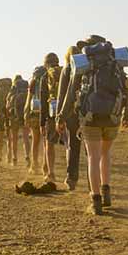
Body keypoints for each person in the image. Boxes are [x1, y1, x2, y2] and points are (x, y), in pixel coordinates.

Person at [59, 34, 128, 215]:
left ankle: (95, 201)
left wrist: (61, 115)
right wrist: (126, 114)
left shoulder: (83, 63)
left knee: (93, 157)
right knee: (105, 155)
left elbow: (70, 91)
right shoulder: (114, 61)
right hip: (112, 116)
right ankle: (107, 195)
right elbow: (125, 88)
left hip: (90, 117)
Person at [56, 43, 86, 190]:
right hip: (87, 112)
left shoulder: (66, 69)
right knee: (90, 149)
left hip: (71, 114)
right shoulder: (86, 67)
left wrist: (59, 117)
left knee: (72, 147)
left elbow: (62, 94)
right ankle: (95, 182)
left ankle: (71, 179)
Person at [37, 52, 62, 183]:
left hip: (52, 115)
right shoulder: (65, 72)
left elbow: (42, 102)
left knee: (49, 144)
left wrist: (42, 123)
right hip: (67, 113)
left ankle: (51, 174)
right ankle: (70, 176)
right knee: (69, 146)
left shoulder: (45, 77)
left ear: (46, 64)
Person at [5, 74, 31, 167]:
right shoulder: (26, 91)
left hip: (14, 117)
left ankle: (14, 159)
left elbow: (7, 107)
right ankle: (27, 157)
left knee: (14, 139)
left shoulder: (12, 92)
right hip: (24, 116)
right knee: (26, 138)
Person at [24, 65, 45, 174]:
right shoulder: (48, 80)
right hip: (46, 114)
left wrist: (25, 115)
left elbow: (28, 101)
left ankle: (34, 164)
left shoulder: (33, 83)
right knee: (46, 142)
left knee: (35, 141)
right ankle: (45, 167)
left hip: (35, 114)